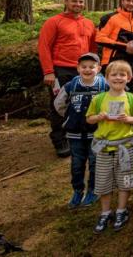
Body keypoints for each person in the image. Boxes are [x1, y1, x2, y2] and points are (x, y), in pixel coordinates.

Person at [85, 61, 133, 233]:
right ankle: (105, 212)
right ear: (106, 77)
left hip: (124, 146)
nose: (118, 78)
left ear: (129, 78)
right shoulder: (99, 99)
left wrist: (129, 119)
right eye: (114, 74)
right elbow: (89, 118)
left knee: (124, 179)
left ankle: (121, 210)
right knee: (103, 180)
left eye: (122, 75)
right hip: (104, 147)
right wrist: (99, 117)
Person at [38, 0, 99, 157]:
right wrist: (48, 72)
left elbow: (93, 48)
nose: (78, 4)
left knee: (83, 103)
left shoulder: (88, 23)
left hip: (83, 70)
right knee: (59, 104)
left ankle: (80, 136)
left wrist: (94, 67)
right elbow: (43, 47)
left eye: (80, 1)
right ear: (66, 2)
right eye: (74, 1)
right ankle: (59, 140)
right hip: (60, 69)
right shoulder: (54, 22)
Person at [54, 52, 108, 208]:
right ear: (78, 68)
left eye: (92, 66)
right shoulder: (71, 85)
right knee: (77, 164)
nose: (87, 69)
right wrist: (71, 117)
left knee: (95, 162)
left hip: (97, 133)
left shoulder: (104, 85)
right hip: (75, 133)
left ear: (98, 68)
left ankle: (93, 190)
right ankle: (77, 191)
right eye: (84, 66)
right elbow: (59, 104)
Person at [96, 0, 133, 108]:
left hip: (131, 61)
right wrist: (125, 47)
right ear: (122, 1)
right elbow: (99, 38)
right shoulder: (110, 18)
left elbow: (130, 43)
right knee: (115, 91)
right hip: (112, 61)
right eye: (128, 1)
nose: (131, 3)